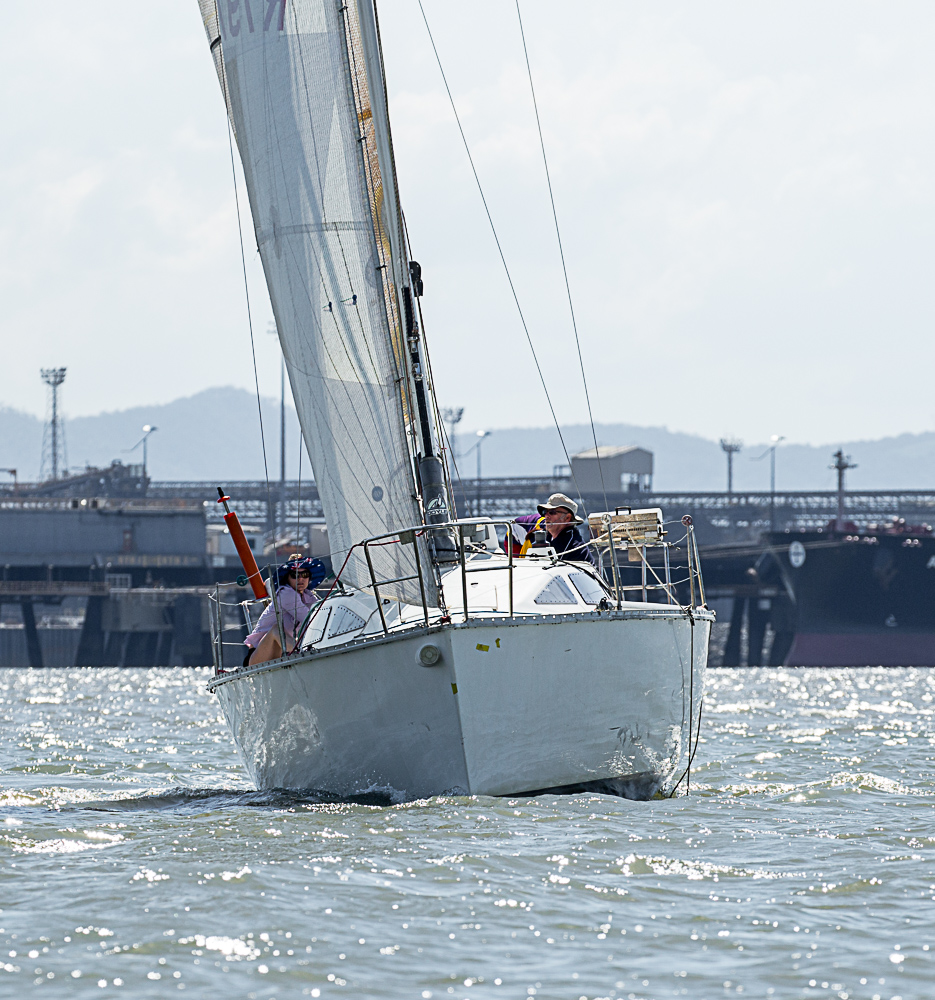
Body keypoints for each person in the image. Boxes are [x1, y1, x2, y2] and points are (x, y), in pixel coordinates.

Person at [243, 554, 318, 666]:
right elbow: (310, 619)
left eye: (305, 574)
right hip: (257, 657)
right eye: (295, 575)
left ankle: (303, 654)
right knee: (276, 629)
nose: (301, 579)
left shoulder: (308, 596)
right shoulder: (285, 593)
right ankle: (303, 655)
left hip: (283, 652)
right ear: (287, 577)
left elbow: (319, 616)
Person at [511, 492, 596, 567]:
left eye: (552, 512)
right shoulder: (548, 536)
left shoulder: (570, 542)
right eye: (545, 512)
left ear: (567, 518)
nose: (546, 516)